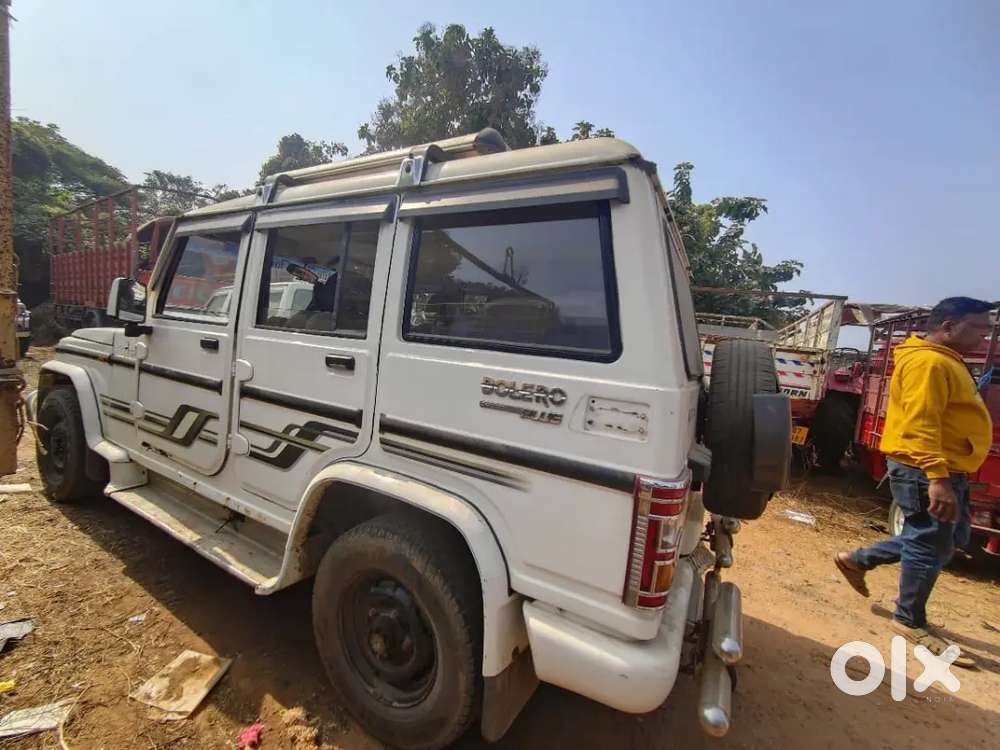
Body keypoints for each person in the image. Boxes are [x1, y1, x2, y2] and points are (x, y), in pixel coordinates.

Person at [835, 296, 995, 667]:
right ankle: (909, 619)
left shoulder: (944, 362)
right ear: (950, 326)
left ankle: (856, 560)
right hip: (927, 468)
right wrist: (937, 477)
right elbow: (922, 424)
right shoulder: (929, 364)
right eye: (979, 329)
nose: (984, 339)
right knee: (928, 542)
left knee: (942, 540)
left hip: (942, 468)